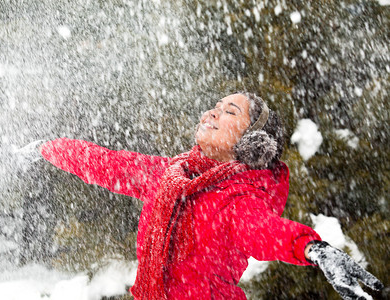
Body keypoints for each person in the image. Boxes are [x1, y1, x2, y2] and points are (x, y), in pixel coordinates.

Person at [19, 92, 383, 299]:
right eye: (215, 105)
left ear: (251, 143)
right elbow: (106, 163)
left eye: (230, 111)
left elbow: (265, 230)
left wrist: (313, 248)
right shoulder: (172, 176)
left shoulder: (237, 201)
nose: (213, 111)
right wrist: (48, 147)